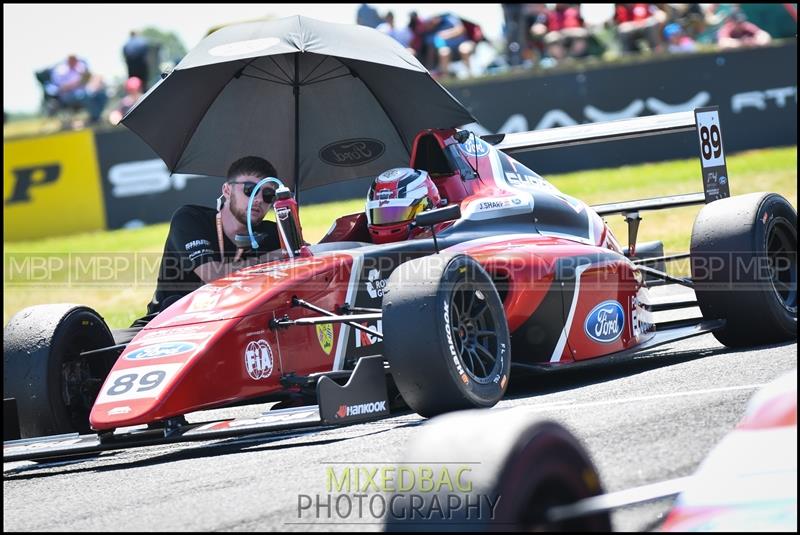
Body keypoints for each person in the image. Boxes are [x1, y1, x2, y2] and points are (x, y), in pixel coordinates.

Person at [144, 156, 285, 318]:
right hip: (166, 323)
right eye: (250, 190)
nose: (259, 199)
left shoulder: (274, 234)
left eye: (267, 195)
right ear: (227, 190)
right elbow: (213, 277)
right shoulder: (191, 219)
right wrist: (273, 258)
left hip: (232, 323)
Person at [365, 168, 442, 244]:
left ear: (427, 209)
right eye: (380, 215)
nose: (387, 224)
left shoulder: (447, 241)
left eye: (396, 213)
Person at [45, 54, 108, 124]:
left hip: (85, 92)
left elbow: (90, 79)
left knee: (101, 95)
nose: (75, 61)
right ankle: (96, 119)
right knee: (85, 95)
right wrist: (77, 83)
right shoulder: (61, 71)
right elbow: (61, 88)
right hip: (67, 96)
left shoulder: (80, 69)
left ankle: (95, 118)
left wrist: (95, 83)